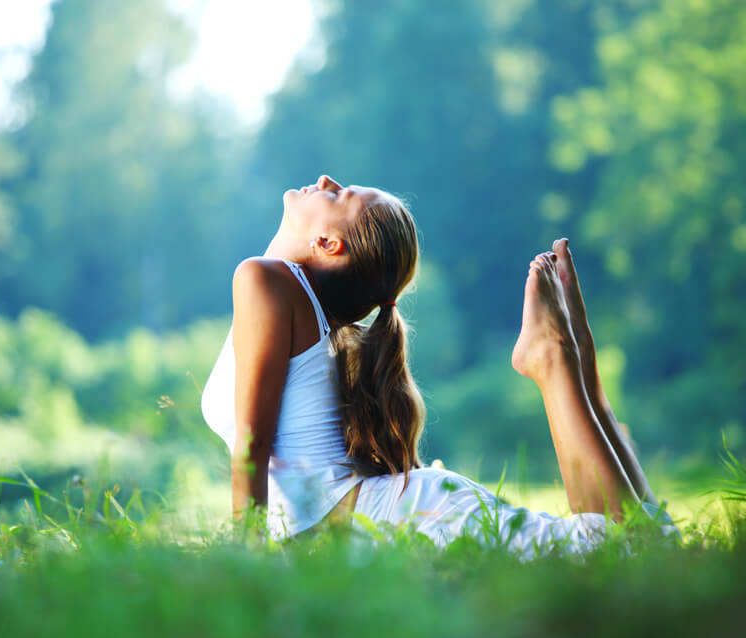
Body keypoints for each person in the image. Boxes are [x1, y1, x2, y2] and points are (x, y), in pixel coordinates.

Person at [201, 175, 672, 555]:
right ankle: (579, 369)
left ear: (328, 243)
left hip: (401, 516)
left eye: (339, 194)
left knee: (626, 551)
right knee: (651, 546)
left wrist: (249, 556)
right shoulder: (288, 297)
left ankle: (556, 361)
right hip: (399, 514)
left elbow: (252, 441)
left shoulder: (264, 280)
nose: (325, 180)